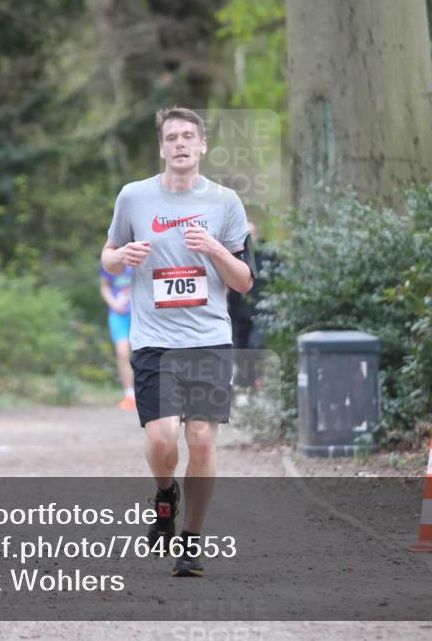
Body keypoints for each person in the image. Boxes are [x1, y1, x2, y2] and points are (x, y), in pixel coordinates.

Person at [101, 106, 253, 577]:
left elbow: (245, 281)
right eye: (172, 137)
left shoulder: (226, 202)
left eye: (189, 136)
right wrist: (121, 255)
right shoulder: (134, 197)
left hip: (208, 338)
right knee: (163, 439)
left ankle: (192, 538)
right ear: (162, 147)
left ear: (203, 145)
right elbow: (107, 257)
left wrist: (215, 249)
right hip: (154, 339)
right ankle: (166, 494)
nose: (181, 144)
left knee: (203, 441)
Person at [227, 220, 274, 388]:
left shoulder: (269, 256)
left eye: (251, 234)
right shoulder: (233, 255)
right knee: (239, 348)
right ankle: (246, 384)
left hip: (262, 311)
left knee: (255, 345)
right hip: (238, 311)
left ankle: (257, 378)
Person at [100, 263, 136, 409]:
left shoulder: (140, 254)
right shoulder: (110, 259)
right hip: (118, 315)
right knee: (122, 352)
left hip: (140, 313)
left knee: (142, 353)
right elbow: (104, 286)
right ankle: (129, 394)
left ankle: (146, 392)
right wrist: (113, 303)